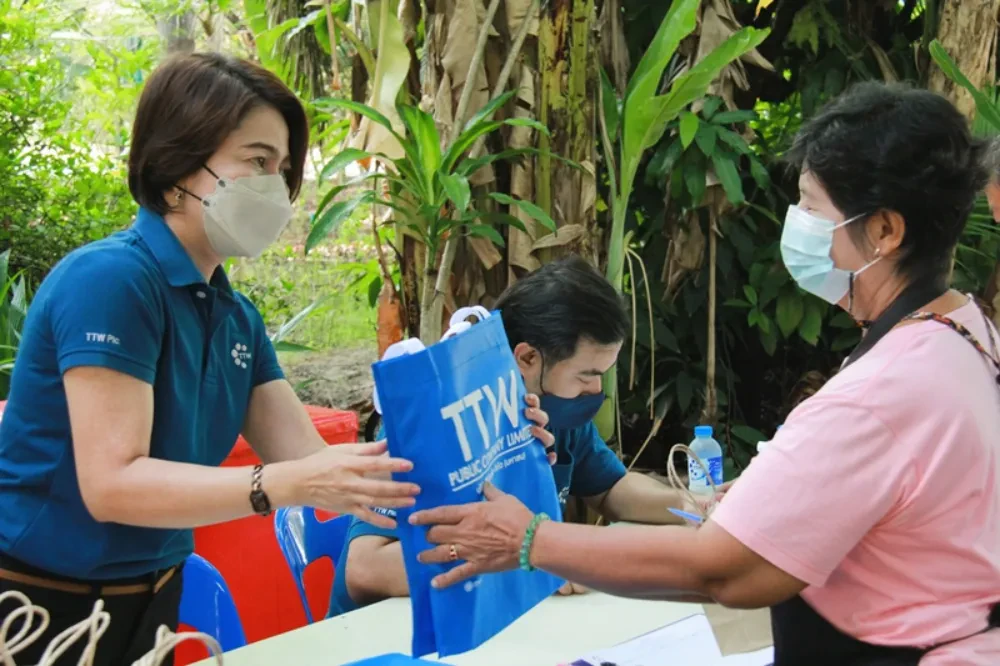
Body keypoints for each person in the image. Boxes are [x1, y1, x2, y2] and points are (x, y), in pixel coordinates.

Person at [408, 82, 1000, 665]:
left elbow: (724, 568)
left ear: (885, 231)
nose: (798, 224)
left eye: (813, 207)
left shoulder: (879, 393)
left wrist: (532, 540)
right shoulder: (967, 333)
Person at [0, 52, 427, 666]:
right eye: (256, 160)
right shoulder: (111, 282)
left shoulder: (234, 318)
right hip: (41, 609)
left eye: (283, 169)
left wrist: (477, 441)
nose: (276, 186)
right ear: (177, 166)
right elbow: (113, 484)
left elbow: (318, 469)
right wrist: (281, 485)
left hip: (152, 602)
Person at [328, 257, 707, 617]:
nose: (595, 390)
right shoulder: (428, 418)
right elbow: (365, 570)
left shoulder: (555, 411)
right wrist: (531, 556)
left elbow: (611, 490)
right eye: (586, 375)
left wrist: (698, 505)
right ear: (527, 358)